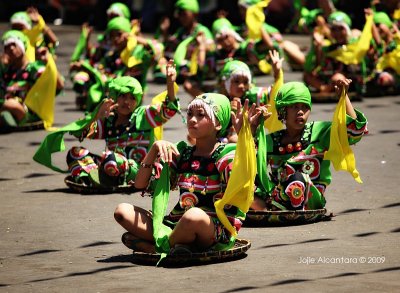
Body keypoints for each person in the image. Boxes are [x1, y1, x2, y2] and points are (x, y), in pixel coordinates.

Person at [114, 93, 261, 255]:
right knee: (122, 212)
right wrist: (154, 149)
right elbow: (140, 184)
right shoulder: (183, 153)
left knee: (194, 216)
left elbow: (243, 183)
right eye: (190, 114)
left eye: (201, 115)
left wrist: (245, 139)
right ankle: (178, 245)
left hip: (211, 230)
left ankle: (158, 246)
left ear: (218, 123)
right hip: (177, 224)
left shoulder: (226, 154)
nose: (192, 119)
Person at [33, 61, 180, 188]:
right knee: (75, 153)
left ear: (137, 101)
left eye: (132, 98)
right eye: (122, 96)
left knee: (111, 159)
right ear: (115, 97)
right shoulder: (108, 120)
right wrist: (96, 116)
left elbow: (168, 110)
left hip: (139, 170)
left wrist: (170, 84)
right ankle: (90, 180)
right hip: (111, 164)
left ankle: (104, 178)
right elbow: (80, 133)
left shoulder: (143, 115)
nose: (126, 102)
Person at [251, 79, 368, 211]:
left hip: (310, 200)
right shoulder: (270, 141)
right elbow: (249, 162)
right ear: (282, 110)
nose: (300, 112)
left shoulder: (320, 132)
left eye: (305, 107)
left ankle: (270, 207)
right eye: (295, 106)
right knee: (241, 183)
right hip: (275, 196)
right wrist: (253, 128)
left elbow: (355, 132)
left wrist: (343, 96)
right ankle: (268, 205)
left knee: (297, 179)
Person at [0, 30, 64, 133]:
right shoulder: (6, 71)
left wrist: (48, 61)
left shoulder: (34, 68)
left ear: (22, 45)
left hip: (28, 113)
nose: (11, 48)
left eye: (14, 44)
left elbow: (59, 86)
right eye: (7, 46)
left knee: (11, 104)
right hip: (7, 109)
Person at [217, 50, 283, 142]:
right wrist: (228, 110)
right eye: (236, 81)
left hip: (251, 141)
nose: (241, 86)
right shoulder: (218, 101)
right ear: (225, 82)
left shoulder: (254, 95)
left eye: (245, 82)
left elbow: (278, 94)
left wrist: (277, 73)